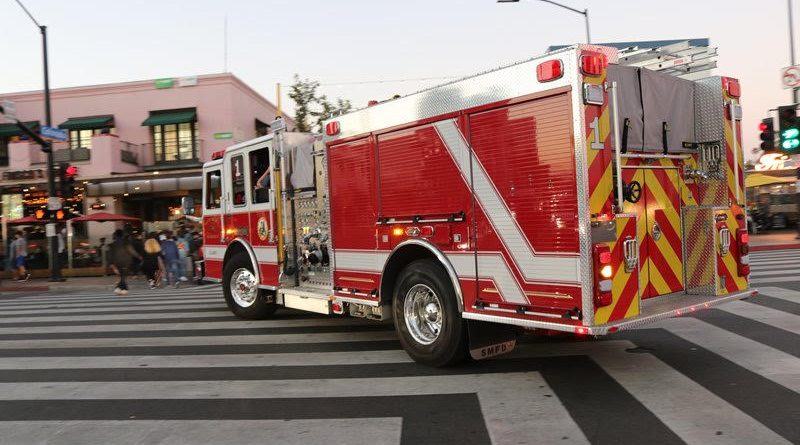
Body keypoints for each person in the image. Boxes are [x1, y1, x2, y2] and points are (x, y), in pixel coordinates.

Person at [109, 229, 141, 295]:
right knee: (123, 275)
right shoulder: (126, 243)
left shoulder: (112, 244)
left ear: (116, 235)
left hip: (116, 262)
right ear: (122, 235)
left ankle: (121, 289)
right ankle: (120, 288)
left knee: (122, 275)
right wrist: (138, 256)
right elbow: (131, 251)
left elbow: (110, 255)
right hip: (126, 261)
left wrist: (112, 264)